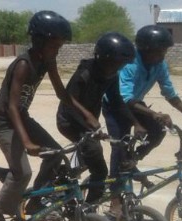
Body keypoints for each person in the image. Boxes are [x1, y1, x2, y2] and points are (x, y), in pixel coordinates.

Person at [0, 11, 100, 221]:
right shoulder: (23, 65)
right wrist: (25, 142)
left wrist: (87, 115)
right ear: (41, 41)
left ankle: (33, 201)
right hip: (2, 120)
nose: (58, 50)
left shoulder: (47, 60)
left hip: (20, 117)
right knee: (23, 171)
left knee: (54, 155)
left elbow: (61, 93)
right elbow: (12, 107)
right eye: (56, 45)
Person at [102, 25, 182, 179]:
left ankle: (131, 161)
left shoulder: (159, 65)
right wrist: (155, 113)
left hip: (136, 104)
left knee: (158, 131)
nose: (163, 55)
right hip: (115, 106)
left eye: (165, 50)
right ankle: (114, 196)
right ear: (145, 49)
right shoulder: (130, 65)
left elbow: (170, 94)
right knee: (119, 145)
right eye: (159, 51)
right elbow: (124, 99)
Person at [56, 32, 145, 205]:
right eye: (117, 64)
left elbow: (117, 101)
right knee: (100, 170)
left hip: (88, 126)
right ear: (104, 58)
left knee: (89, 159)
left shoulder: (111, 75)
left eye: (121, 65)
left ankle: (65, 179)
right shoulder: (84, 74)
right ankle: (87, 211)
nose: (118, 68)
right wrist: (91, 127)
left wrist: (136, 123)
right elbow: (68, 104)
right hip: (69, 122)